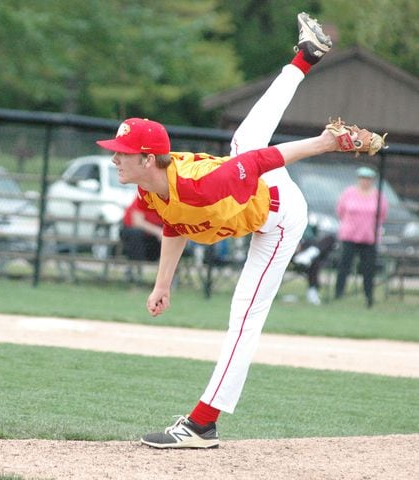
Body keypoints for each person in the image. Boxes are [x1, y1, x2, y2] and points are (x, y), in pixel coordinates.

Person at [95, 12, 343, 449]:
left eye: (123, 153)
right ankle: (305, 59)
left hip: (280, 217)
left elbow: (265, 160)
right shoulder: (154, 188)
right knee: (244, 142)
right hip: (253, 192)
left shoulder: (200, 184)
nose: (115, 159)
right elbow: (174, 226)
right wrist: (163, 284)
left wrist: (324, 143)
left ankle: (201, 425)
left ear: (148, 159)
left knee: (244, 316)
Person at [333, 166, 388, 308]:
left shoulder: (378, 196)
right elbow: (340, 211)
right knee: (344, 266)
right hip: (349, 236)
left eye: (368, 179)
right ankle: (338, 294)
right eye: (363, 178)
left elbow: (382, 215)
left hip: (369, 237)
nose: (365, 181)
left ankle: (368, 297)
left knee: (368, 269)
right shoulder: (349, 193)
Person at [291, 222, 336, 305]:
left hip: (310, 248)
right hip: (296, 252)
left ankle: (310, 254)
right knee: (314, 259)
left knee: (330, 239)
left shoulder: (307, 223)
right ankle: (312, 290)